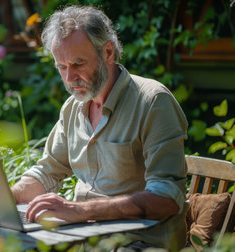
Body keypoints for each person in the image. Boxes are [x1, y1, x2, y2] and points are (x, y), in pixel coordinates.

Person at [11, 5, 188, 250]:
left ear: (107, 52)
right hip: (84, 240)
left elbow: (167, 198)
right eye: (62, 67)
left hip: (138, 244)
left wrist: (79, 210)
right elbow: (48, 172)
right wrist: (4, 199)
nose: (69, 78)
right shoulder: (73, 108)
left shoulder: (153, 102)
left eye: (77, 63)